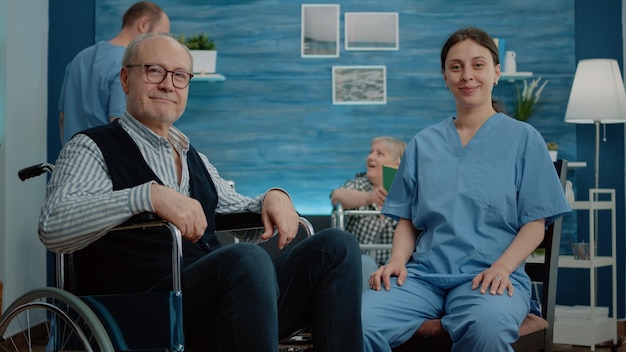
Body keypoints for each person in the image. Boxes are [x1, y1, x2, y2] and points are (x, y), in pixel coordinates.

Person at [40, 32, 363, 352]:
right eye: (154, 71)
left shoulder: (194, 156)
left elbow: (241, 214)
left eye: (180, 76)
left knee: (337, 245)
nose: (168, 84)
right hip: (141, 309)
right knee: (244, 258)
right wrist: (148, 195)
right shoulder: (91, 147)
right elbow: (54, 226)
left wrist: (273, 197)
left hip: (212, 303)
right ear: (125, 79)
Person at [361, 27, 571, 352]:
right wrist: (398, 261)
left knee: (485, 327)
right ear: (445, 76)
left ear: (496, 72)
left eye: (478, 65)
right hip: (423, 277)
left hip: (490, 277)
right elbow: (406, 220)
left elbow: (535, 225)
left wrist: (502, 268)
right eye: (456, 66)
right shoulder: (423, 144)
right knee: (358, 320)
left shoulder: (524, 139)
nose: (467, 76)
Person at [58, 1, 170, 144]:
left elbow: (63, 118)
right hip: (106, 162)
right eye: (161, 35)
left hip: (72, 157)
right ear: (143, 24)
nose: (161, 44)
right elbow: (121, 126)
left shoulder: (79, 58)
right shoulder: (128, 65)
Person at [330, 136, 406, 291]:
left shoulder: (408, 191)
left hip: (392, 263)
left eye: (380, 154)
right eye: (371, 152)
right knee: (365, 263)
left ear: (397, 162)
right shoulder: (359, 184)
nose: (370, 157)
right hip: (359, 264)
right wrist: (369, 197)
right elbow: (336, 196)